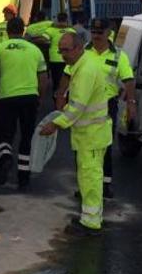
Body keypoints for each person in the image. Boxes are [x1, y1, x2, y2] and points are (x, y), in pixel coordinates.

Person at [55, 18, 136, 198]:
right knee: (80, 147)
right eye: (93, 32)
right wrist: (60, 95)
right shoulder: (83, 52)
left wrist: (131, 103)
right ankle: (84, 184)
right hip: (82, 105)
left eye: (100, 32)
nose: (96, 35)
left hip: (107, 106)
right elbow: (67, 75)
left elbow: (128, 80)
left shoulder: (118, 56)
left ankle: (105, 186)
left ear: (109, 33)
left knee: (104, 146)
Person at [40, 32, 111, 235]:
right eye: (60, 50)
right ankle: (92, 216)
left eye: (66, 50)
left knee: (90, 178)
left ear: (79, 48)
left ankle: (90, 223)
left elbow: (77, 107)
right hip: (92, 134)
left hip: (91, 135)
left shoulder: (86, 70)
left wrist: (55, 124)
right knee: (89, 177)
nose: (62, 54)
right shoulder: (83, 63)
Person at [0, 17, 49, 188]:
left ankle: (5, 158)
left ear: (7, 31)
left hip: (7, 98)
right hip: (30, 98)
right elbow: (44, 79)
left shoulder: (0, 48)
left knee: (3, 134)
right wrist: (40, 98)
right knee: (26, 137)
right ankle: (23, 177)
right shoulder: (35, 50)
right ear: (23, 30)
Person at [42, 13, 75, 101]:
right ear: (66, 19)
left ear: (57, 19)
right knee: (69, 81)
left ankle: (56, 100)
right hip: (69, 59)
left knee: (56, 82)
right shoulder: (71, 30)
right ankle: (67, 99)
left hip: (55, 59)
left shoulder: (51, 30)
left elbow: (43, 39)